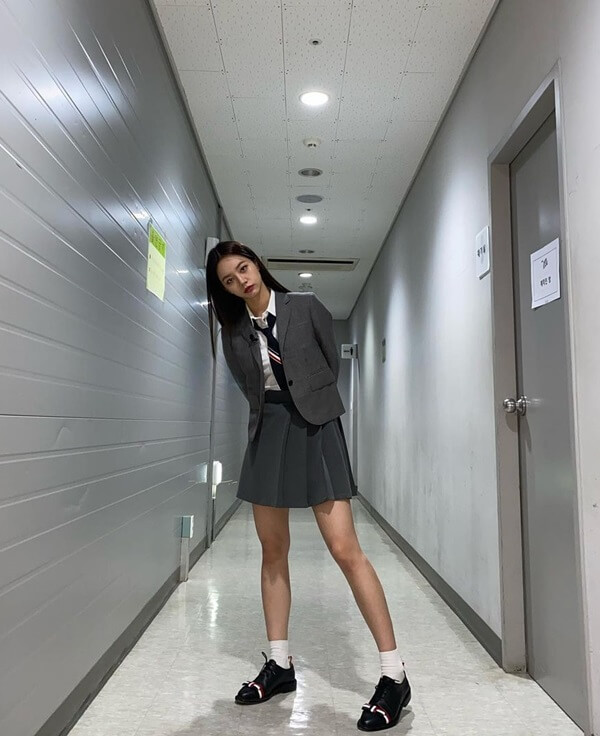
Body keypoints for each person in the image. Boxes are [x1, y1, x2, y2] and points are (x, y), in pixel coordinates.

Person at [206, 240, 411, 732]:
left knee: (345, 550)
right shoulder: (233, 332)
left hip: (316, 426)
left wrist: (308, 404)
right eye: (229, 280)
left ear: (257, 264)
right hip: (268, 430)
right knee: (272, 549)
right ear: (225, 291)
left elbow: (327, 368)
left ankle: (394, 674)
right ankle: (279, 664)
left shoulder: (304, 306)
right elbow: (248, 386)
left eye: (243, 268)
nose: (241, 281)